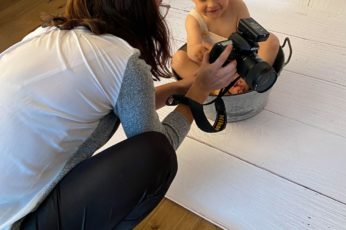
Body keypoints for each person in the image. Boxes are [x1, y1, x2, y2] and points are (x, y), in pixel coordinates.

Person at [0, 0, 237, 229]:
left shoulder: (45, 34)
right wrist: (200, 91)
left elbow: (126, 101)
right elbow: (158, 143)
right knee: (154, 157)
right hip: (13, 221)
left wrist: (180, 87)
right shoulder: (123, 62)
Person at [172, 0, 280, 95]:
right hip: (213, 67)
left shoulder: (237, 5)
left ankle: (255, 77)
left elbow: (249, 34)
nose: (211, 4)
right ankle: (217, 89)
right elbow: (192, 48)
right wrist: (198, 51)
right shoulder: (193, 19)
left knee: (271, 40)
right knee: (178, 60)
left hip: (242, 62)